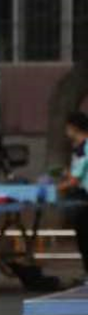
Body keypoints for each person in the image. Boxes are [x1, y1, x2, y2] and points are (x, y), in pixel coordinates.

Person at [59, 111, 88, 278]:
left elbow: (75, 180)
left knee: (85, 236)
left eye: (67, 128)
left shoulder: (84, 148)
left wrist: (56, 188)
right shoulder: (79, 148)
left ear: (74, 128)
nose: (66, 131)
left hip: (85, 197)